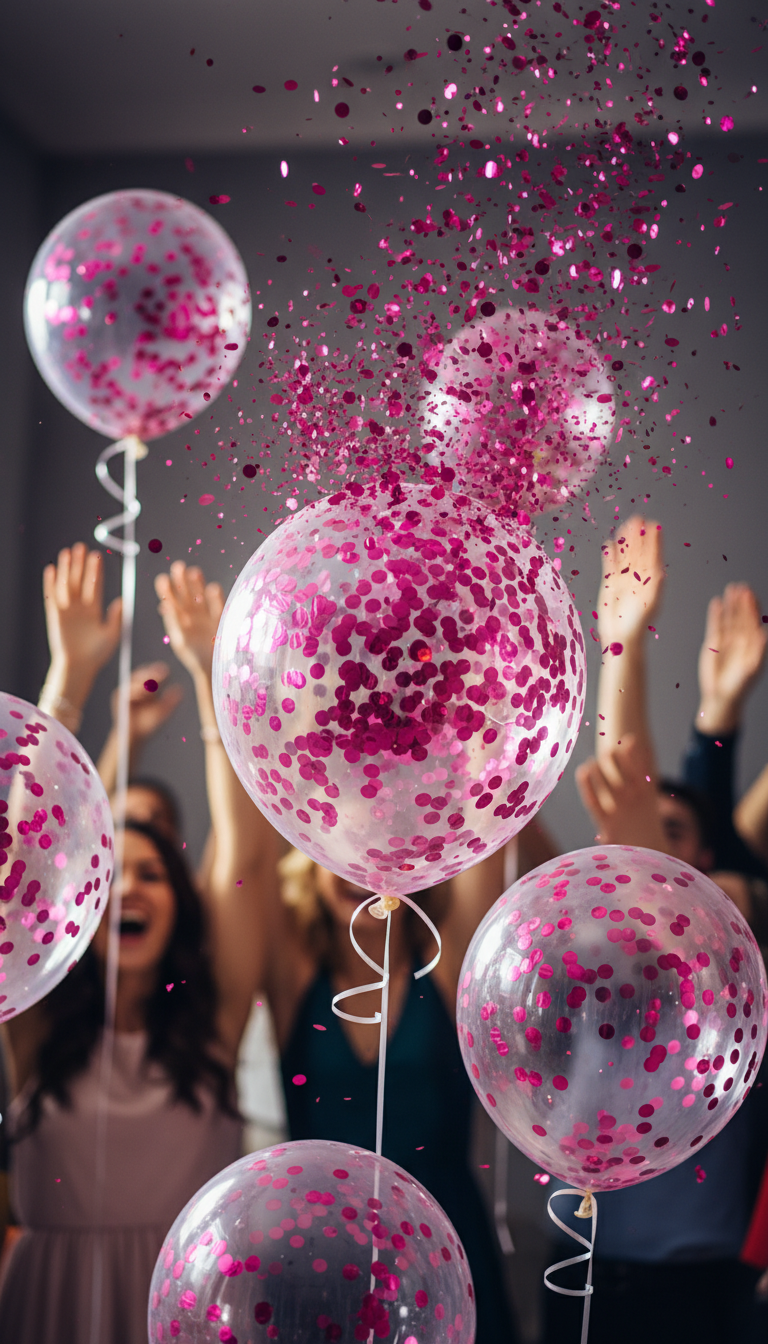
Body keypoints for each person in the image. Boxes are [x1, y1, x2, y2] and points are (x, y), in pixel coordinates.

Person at [0, 551, 279, 1344]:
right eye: (111, 874)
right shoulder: (34, 1028)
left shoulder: (214, 1026)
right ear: (77, 905)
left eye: (152, 873)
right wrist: (69, 681)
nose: (128, 889)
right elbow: (18, 869)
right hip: (46, 1303)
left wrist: (212, 678)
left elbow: (246, 862)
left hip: (184, 1301)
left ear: (180, 902)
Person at [543, 516, 768, 1344]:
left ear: (709, 855)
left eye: (677, 836)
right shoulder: (595, 945)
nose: (654, 856)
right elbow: (635, 851)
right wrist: (620, 645)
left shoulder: (739, 939)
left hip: (720, 1281)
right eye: (645, 830)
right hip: (599, 1268)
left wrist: (714, 720)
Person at [271, 846, 521, 1343]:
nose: (363, 872)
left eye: (383, 854)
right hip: (321, 1241)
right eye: (346, 854)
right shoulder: (292, 972)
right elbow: (248, 859)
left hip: (442, 1229)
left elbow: (482, 843)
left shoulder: (447, 966)